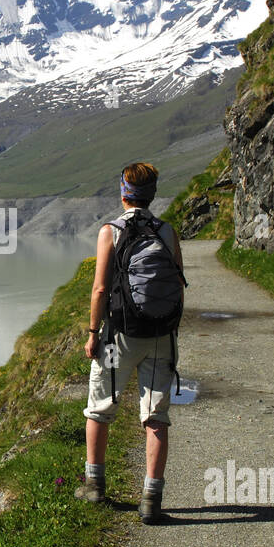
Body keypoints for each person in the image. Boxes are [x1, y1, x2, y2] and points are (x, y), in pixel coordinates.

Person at [75, 162, 184, 524]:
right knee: (155, 416)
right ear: (152, 194)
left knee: (99, 408)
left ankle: (95, 485)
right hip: (160, 337)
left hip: (117, 336)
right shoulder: (168, 232)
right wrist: (171, 332)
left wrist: (93, 333)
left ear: (123, 193)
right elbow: (178, 287)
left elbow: (101, 288)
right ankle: (151, 499)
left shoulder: (111, 231)